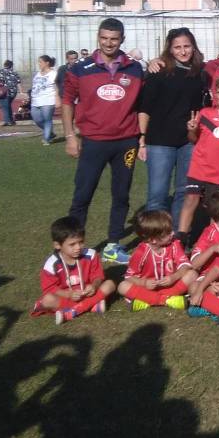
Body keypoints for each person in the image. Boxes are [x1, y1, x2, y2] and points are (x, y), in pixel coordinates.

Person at [62, 18, 144, 264]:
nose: (108, 43)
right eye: (104, 38)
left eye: (114, 39)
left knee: (121, 195)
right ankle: (73, 246)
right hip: (93, 142)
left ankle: (113, 245)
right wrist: (69, 136)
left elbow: (144, 104)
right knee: (82, 195)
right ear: (98, 37)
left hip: (126, 142)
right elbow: (67, 102)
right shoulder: (80, 68)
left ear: (122, 40)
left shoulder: (136, 69)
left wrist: (142, 138)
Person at [138, 28, 208, 227]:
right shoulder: (158, 71)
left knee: (183, 192)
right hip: (160, 141)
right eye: (177, 47)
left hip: (188, 141)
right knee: (157, 195)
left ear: (193, 48)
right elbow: (145, 107)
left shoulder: (200, 74)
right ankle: (153, 240)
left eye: (187, 46)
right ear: (169, 49)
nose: (183, 51)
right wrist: (142, 138)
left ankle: (177, 238)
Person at [176, 76, 219, 245]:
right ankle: (181, 241)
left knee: (216, 210)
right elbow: (193, 139)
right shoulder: (204, 113)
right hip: (199, 166)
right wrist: (192, 130)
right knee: (190, 200)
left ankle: (212, 243)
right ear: (213, 94)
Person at [33, 217, 116, 325]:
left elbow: (98, 276)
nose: (78, 247)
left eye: (81, 242)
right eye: (72, 244)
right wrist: (68, 294)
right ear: (57, 245)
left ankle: (72, 312)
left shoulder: (91, 255)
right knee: (47, 300)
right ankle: (91, 305)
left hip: (87, 294)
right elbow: (50, 288)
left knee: (110, 284)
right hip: (65, 298)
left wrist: (94, 286)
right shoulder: (51, 264)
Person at [118, 210, 197, 311]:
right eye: (168, 233)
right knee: (122, 286)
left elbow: (185, 265)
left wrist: (173, 277)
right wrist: (144, 283)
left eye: (171, 230)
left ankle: (148, 301)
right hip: (147, 289)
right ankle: (167, 300)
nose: (173, 233)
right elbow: (129, 277)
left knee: (192, 274)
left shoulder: (174, 244)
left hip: (170, 286)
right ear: (153, 240)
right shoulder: (140, 252)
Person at [29, 55, 59, 145]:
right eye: (38, 62)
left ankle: (47, 139)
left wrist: (57, 98)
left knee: (47, 119)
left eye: (40, 62)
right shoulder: (38, 74)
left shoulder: (54, 74)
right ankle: (50, 133)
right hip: (36, 100)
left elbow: (57, 87)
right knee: (37, 119)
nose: (39, 64)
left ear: (47, 63)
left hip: (48, 100)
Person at [0, 59, 21, 126]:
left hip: (4, 92)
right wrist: (21, 91)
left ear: (4, 65)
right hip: (13, 92)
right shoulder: (14, 72)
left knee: (4, 106)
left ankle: (7, 121)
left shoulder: (1, 72)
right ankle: (11, 121)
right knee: (8, 105)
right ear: (11, 66)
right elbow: (18, 83)